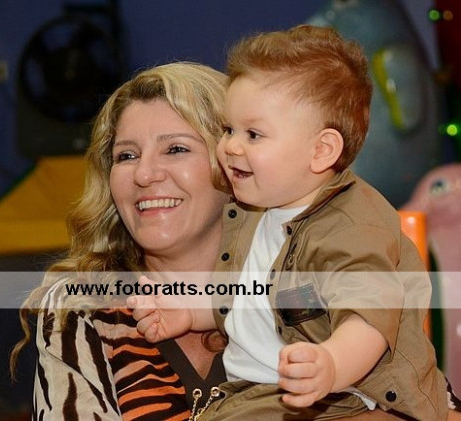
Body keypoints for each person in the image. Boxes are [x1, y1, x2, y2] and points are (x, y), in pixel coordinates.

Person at [130, 25, 457, 420]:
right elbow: (255, 299)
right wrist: (191, 313)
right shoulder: (257, 211)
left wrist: (332, 363)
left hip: (344, 398)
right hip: (261, 393)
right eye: (229, 130)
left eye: (253, 134)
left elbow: (369, 317)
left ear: (321, 151)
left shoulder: (351, 227)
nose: (231, 146)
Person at [10, 62, 232, 420]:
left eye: (176, 149)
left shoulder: (296, 294)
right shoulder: (83, 306)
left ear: (236, 165)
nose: (144, 174)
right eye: (127, 156)